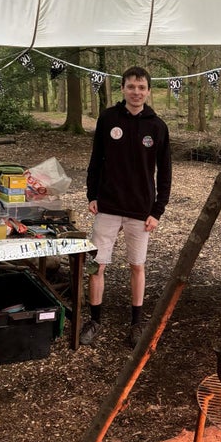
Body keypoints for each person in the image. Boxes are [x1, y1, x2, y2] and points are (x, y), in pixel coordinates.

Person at [80, 66, 172, 348]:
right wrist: (92, 194)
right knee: (97, 265)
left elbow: (165, 173)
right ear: (122, 88)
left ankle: (136, 323)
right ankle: (95, 320)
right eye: (131, 86)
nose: (136, 92)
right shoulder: (108, 118)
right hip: (108, 205)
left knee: (137, 266)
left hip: (140, 210)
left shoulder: (157, 126)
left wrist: (157, 211)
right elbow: (96, 160)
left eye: (142, 87)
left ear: (149, 91)